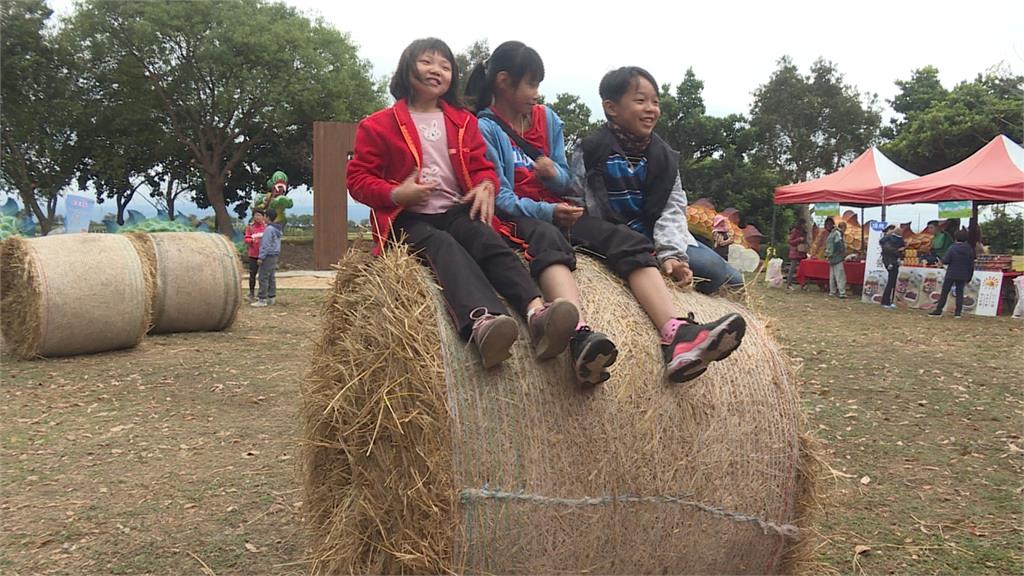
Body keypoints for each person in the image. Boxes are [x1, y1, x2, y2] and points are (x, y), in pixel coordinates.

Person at [346, 37, 578, 370]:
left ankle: (537, 312)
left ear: (453, 76)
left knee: (489, 242)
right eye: (427, 61)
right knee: (445, 248)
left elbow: (484, 167)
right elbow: (358, 180)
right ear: (405, 67)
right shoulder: (378, 125)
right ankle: (483, 322)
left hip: (456, 209)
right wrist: (398, 193)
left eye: (445, 65)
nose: (436, 70)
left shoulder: (462, 121)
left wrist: (486, 185)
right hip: (409, 218)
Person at [571, 65, 747, 384]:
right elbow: (577, 200)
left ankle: (734, 361)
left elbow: (673, 208)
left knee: (729, 277)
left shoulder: (663, 156)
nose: (651, 109)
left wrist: (671, 255)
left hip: (656, 238)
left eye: (655, 101)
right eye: (641, 100)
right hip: (609, 238)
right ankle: (676, 334)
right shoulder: (591, 149)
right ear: (611, 107)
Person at [468, 41, 617, 385]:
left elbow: (567, 180)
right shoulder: (486, 128)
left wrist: (553, 175)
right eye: (531, 84)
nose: (537, 93)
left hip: (558, 209)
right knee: (546, 236)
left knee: (614, 235)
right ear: (504, 82)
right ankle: (579, 333)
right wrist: (548, 211)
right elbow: (500, 196)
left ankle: (675, 328)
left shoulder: (548, 119)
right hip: (521, 218)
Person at [929, 229, 975, 318]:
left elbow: (946, 260)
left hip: (951, 273)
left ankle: (938, 310)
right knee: (960, 293)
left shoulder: (952, 248)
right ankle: (958, 313)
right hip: (963, 274)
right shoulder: (969, 249)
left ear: (955, 238)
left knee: (945, 292)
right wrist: (969, 277)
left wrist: (940, 263)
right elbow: (971, 264)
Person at [252, 208, 283, 308]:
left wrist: (261, 257)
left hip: (268, 255)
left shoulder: (269, 229)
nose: (263, 218)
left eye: (264, 216)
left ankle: (262, 299)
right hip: (274, 255)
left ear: (268, 218)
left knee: (263, 277)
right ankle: (271, 297)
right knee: (271, 277)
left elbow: (265, 244)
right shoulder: (277, 228)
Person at [878, 224, 906, 309]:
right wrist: (899, 251)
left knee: (893, 281)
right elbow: (889, 250)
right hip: (891, 262)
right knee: (891, 282)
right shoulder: (892, 240)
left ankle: (889, 301)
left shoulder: (887, 239)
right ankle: (885, 301)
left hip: (891, 261)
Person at [243, 209, 267, 303]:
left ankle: (262, 294)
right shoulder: (250, 227)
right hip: (253, 254)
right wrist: (252, 241)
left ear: (263, 217)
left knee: (263, 275)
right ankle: (251, 293)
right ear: (253, 216)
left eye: (260, 215)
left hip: (264, 254)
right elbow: (246, 239)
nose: (258, 217)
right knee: (252, 275)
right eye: (256, 215)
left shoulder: (266, 227)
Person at [823, 218, 847, 298]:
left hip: (831, 257)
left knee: (832, 276)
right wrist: (841, 253)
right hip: (837, 257)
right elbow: (839, 245)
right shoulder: (837, 233)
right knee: (839, 275)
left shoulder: (831, 234)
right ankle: (842, 292)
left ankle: (832, 291)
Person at [786, 218, 808, 289]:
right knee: (792, 268)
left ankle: (803, 284)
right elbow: (790, 241)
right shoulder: (794, 231)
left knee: (803, 269)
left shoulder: (804, 232)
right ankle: (789, 284)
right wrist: (799, 239)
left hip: (802, 252)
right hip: (795, 252)